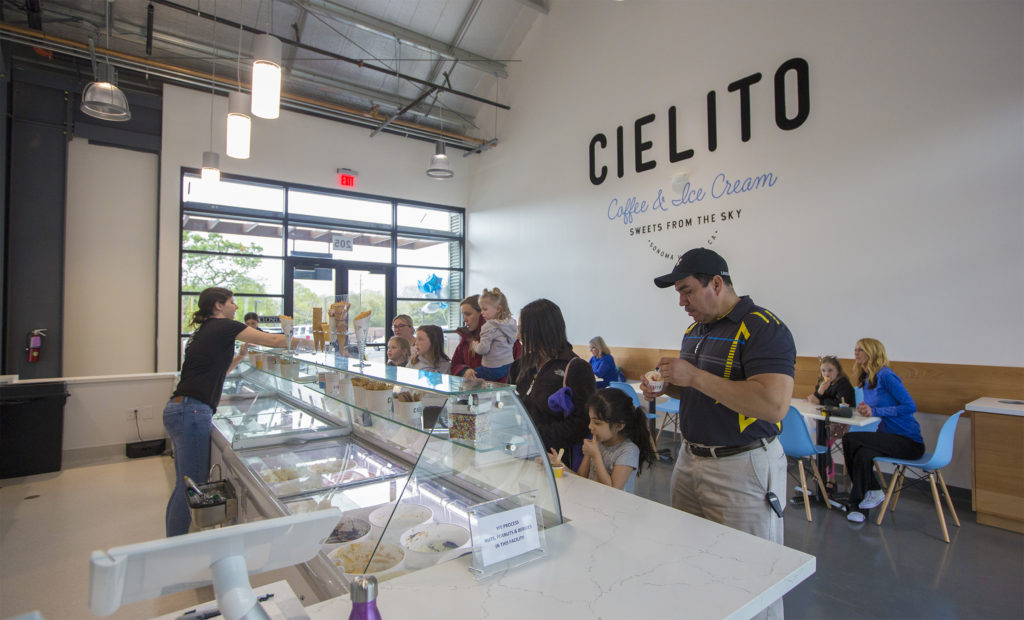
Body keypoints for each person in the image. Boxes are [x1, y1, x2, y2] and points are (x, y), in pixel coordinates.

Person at [641, 248, 794, 620]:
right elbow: (701, 390)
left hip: (742, 466)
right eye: (678, 292)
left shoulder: (762, 328)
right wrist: (668, 388)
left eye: (687, 290)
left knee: (751, 575)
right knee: (693, 564)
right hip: (690, 459)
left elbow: (773, 404)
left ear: (717, 283)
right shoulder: (695, 331)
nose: (681, 301)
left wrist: (692, 375)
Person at [164, 287, 298, 536]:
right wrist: (321, 341)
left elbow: (215, 373)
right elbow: (273, 341)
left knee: (183, 484)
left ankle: (173, 541)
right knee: (191, 487)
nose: (235, 307)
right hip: (191, 411)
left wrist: (237, 359)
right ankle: (173, 547)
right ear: (218, 306)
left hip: (181, 408)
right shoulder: (224, 326)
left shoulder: (203, 331)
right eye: (232, 302)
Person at [842, 338, 924, 523]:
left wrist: (876, 410)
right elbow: (876, 405)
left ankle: (862, 498)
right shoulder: (867, 378)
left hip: (908, 441)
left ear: (872, 352)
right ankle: (864, 501)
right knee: (862, 454)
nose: (855, 353)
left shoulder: (886, 375)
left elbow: (910, 406)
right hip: (887, 436)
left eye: (860, 350)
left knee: (849, 439)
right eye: (855, 349)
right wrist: (865, 408)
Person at [510, 299, 595, 468]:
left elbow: (582, 424)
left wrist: (535, 435)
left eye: (522, 330)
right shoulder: (519, 366)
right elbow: (510, 406)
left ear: (540, 331)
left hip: (558, 462)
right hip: (520, 456)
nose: (518, 336)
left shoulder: (576, 368)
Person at [549, 387, 656, 492]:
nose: (590, 426)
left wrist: (595, 455)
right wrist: (560, 465)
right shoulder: (597, 442)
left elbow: (612, 490)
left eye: (597, 423)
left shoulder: (629, 451)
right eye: (590, 420)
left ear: (618, 426)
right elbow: (581, 478)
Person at [450, 294, 522, 381]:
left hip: (499, 391)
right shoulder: (466, 338)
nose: (464, 320)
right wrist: (464, 371)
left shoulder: (506, 335)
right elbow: (455, 364)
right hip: (473, 390)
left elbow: (519, 369)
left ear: (482, 314)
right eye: (463, 315)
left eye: (468, 314)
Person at [470, 287, 518, 381]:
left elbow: (483, 349)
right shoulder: (511, 323)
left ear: (498, 308)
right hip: (509, 366)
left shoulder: (488, 326)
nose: (482, 313)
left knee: (471, 375)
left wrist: (475, 346)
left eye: (485, 309)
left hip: (492, 368)